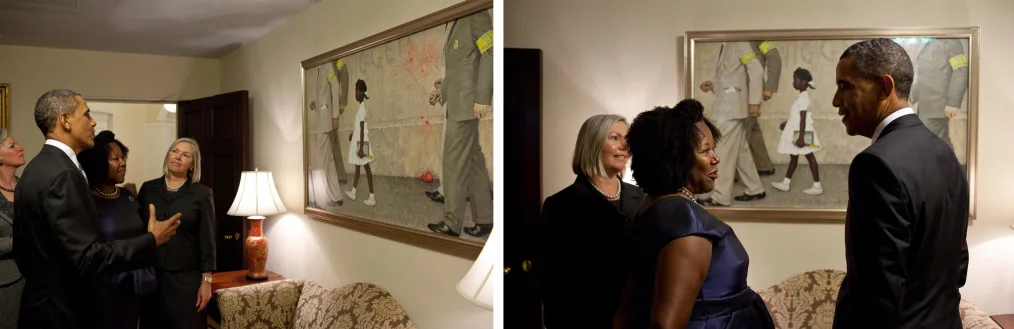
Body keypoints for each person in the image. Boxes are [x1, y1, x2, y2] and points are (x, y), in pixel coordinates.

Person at [831, 38, 969, 329]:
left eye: (845, 87)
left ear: (884, 87)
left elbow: (877, 291)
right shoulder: (945, 153)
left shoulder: (874, 164)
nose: (836, 100)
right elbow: (959, 268)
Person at [13, 89, 180, 329]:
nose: (93, 122)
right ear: (65, 120)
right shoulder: (63, 174)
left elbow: (24, 249)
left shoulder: (35, 168)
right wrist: (151, 239)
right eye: (86, 114)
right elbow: (87, 258)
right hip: (63, 313)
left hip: (41, 306)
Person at [615, 100, 774, 329]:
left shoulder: (652, 207)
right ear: (677, 157)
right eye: (705, 150)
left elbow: (627, 309)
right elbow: (664, 324)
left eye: (714, 148)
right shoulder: (685, 219)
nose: (715, 158)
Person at [540, 114, 644, 328]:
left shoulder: (643, 197)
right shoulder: (560, 205)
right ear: (593, 143)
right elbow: (553, 282)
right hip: (586, 319)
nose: (625, 145)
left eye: (627, 139)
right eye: (615, 138)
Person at [426, 9, 494, 238]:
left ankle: (452, 223)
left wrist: (482, 98)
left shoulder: (475, 15)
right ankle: (485, 218)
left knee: (453, 162)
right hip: (458, 102)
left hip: (467, 105)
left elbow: (491, 53)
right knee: (474, 162)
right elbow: (461, 67)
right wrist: (441, 91)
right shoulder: (456, 19)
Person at [77, 131, 156, 329]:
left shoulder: (128, 196)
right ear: (97, 163)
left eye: (123, 157)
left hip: (133, 289)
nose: (123, 163)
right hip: (101, 291)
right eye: (115, 158)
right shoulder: (86, 200)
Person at [137, 138, 217, 329]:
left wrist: (206, 281)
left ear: (192, 164)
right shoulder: (148, 188)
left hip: (185, 280)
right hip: (151, 276)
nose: (178, 157)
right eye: (175, 151)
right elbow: (138, 229)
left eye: (186, 155)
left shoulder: (202, 194)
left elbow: (208, 239)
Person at [697, 41, 767, 206]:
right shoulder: (727, 44)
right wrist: (714, 86)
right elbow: (732, 76)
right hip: (729, 105)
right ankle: (755, 188)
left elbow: (756, 69)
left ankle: (721, 196)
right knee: (740, 149)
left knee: (722, 149)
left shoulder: (738, 42)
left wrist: (754, 102)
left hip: (731, 108)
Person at [771, 68, 823, 195]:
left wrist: (801, 137)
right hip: (798, 132)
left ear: (803, 82)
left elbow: (803, 119)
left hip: (802, 133)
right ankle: (786, 183)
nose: (793, 83)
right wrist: (787, 123)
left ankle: (817, 186)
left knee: (810, 157)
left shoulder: (803, 98)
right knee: (794, 158)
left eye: (795, 80)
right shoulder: (800, 97)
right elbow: (797, 117)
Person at [911, 38, 969, 149]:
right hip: (925, 106)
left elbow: (961, 71)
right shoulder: (930, 42)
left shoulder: (951, 42)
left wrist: (953, 102)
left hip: (938, 106)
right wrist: (911, 95)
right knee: (933, 142)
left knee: (936, 142)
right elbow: (927, 76)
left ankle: (948, 166)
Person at [307, 59, 346, 208]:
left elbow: (335, 87)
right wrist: (315, 104)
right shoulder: (319, 67)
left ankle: (319, 199)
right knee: (328, 161)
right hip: (323, 120)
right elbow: (324, 94)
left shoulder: (325, 65)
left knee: (319, 160)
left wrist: (335, 116)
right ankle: (336, 197)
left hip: (325, 122)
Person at [744, 40, 783, 176]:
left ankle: (735, 172)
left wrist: (770, 87)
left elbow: (774, 57)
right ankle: (764, 165)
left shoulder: (757, 36)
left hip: (749, 91)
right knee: (752, 128)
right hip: (739, 90)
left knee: (741, 132)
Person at [0, 128, 25, 329]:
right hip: (4, 285)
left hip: (36, 281)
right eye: (12, 145)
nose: (20, 148)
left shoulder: (28, 186)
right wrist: (10, 243)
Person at [344, 79, 377, 207]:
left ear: (361, 92)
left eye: (356, 91)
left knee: (367, 168)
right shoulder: (360, 107)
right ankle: (353, 192)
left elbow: (362, 128)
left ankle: (372, 197)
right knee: (358, 167)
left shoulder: (362, 108)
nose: (355, 94)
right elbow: (358, 127)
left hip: (362, 143)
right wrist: (353, 134)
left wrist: (362, 148)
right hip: (359, 140)